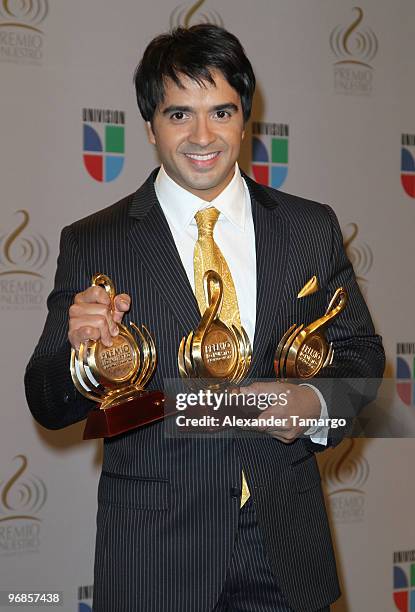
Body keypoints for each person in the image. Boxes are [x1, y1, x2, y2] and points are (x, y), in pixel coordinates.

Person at [25, 25, 385, 612]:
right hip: (155, 555)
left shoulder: (308, 227)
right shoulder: (95, 240)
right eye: (178, 115)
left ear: (246, 118)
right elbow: (45, 397)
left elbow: (362, 355)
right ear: (149, 125)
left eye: (220, 111)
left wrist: (313, 404)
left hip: (287, 548)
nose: (202, 136)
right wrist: (82, 355)